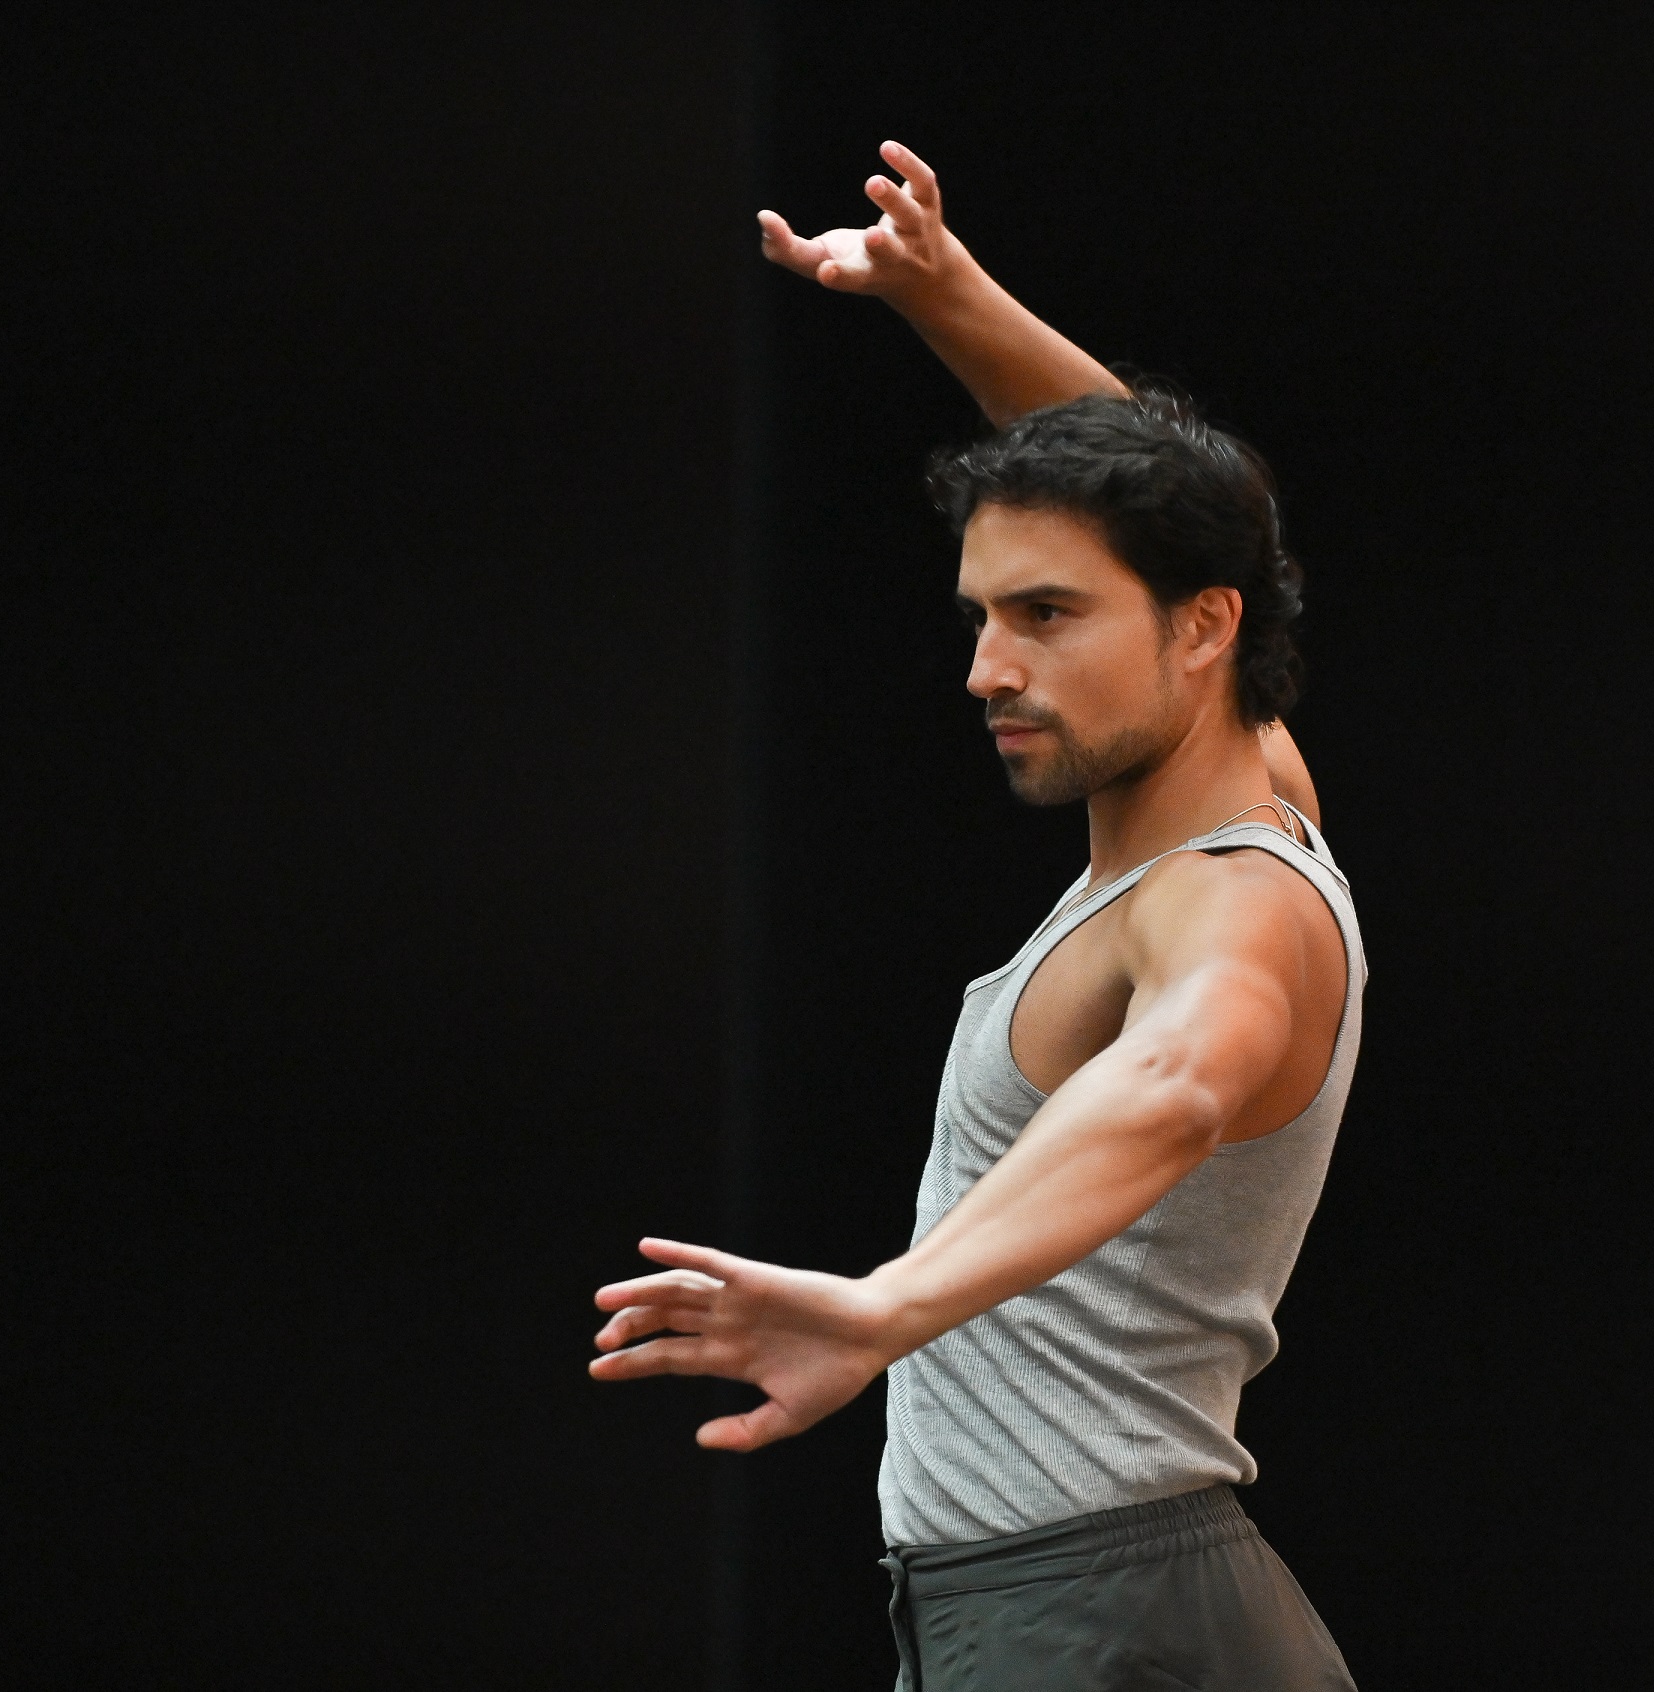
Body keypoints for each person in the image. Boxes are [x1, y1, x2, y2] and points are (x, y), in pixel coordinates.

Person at [589, 140, 1364, 1692]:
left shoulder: (1234, 904)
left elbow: (1176, 1084)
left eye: (1046, 617)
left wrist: (888, 1307)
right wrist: (947, 294)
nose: (988, 669)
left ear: (1204, 633)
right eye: (983, 617)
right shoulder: (1250, 778)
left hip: (1100, 1623)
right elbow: (1162, 493)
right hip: (1080, 1610)